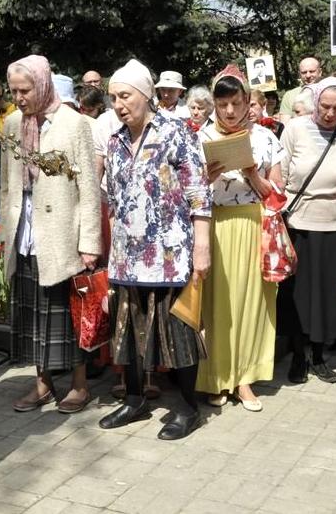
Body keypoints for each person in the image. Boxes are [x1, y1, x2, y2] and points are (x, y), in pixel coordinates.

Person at [100, 58, 211, 440]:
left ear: (146, 96)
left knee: (177, 331)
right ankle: (134, 400)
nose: (118, 104)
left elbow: (199, 193)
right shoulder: (115, 141)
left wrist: (202, 248)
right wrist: (111, 250)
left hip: (169, 253)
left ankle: (187, 407)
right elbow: (112, 200)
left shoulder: (177, 133)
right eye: (113, 97)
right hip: (127, 256)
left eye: (125, 95)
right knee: (127, 330)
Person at [0, 54, 102, 414]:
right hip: (25, 231)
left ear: (42, 84)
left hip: (61, 233)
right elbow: (7, 185)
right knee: (31, 315)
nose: (19, 97)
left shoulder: (73, 124)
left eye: (25, 90)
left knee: (66, 312)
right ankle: (42, 384)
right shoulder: (12, 123)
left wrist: (89, 242)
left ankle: (79, 385)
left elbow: (89, 188)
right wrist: (5, 232)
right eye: (13, 90)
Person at [196, 65, 282, 412]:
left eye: (236, 103)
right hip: (212, 226)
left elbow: (277, 195)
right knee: (216, 305)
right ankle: (215, 376)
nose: (230, 112)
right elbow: (182, 193)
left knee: (250, 303)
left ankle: (245, 378)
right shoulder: (199, 137)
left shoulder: (265, 138)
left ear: (248, 101)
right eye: (222, 105)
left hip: (252, 224)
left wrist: (252, 175)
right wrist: (205, 176)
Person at [278, 77, 336, 384]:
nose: (329, 113)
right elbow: (281, 174)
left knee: (327, 296)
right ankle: (298, 356)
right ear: (315, 103)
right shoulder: (295, 129)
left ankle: (318, 355)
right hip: (298, 222)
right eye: (325, 106)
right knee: (298, 294)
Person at [278, 57, 322, 122]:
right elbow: (285, 125)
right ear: (299, 74)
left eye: (312, 71)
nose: (308, 75)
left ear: (320, 72)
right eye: (304, 72)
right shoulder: (289, 95)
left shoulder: (329, 92)